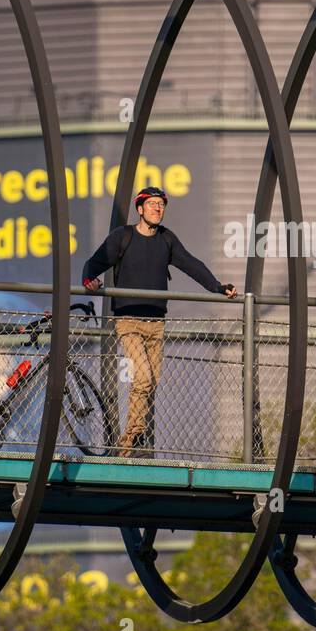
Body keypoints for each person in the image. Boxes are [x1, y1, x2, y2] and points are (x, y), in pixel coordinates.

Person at [82, 186, 236, 457]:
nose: (157, 208)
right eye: (151, 204)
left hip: (156, 323)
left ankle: (131, 439)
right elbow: (95, 262)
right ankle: (128, 441)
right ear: (140, 209)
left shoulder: (166, 239)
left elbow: (191, 264)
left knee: (151, 382)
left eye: (161, 204)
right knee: (142, 377)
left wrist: (217, 287)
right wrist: (89, 280)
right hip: (128, 320)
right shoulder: (123, 236)